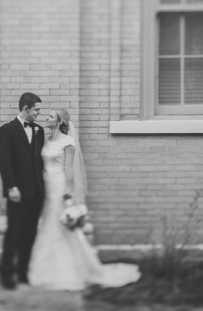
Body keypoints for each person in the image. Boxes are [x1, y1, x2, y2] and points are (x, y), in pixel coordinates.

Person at [28, 108, 140, 291]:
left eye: (50, 116)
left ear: (59, 122)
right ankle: (47, 266)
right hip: (46, 188)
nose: (46, 118)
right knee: (48, 223)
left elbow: (70, 170)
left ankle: (68, 271)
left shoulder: (68, 142)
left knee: (61, 226)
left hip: (59, 187)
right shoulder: (46, 141)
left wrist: (68, 193)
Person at [0, 92, 45, 290]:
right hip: (17, 192)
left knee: (29, 233)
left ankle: (23, 273)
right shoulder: (8, 130)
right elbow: (4, 161)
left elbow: (39, 161)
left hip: (36, 193)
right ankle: (7, 275)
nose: (38, 114)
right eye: (36, 110)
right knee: (13, 233)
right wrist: (11, 187)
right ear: (26, 108)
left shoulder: (39, 130)